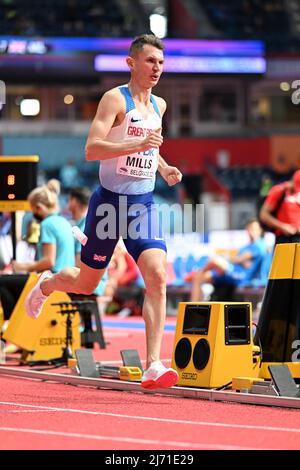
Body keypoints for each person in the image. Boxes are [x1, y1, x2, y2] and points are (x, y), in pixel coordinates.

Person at [26, 34, 182, 389]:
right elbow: (92, 149)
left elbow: (151, 147)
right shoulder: (114, 99)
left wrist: (164, 167)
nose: (157, 68)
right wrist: (137, 142)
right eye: (150, 61)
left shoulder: (159, 105)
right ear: (131, 63)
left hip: (142, 204)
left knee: (157, 276)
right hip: (109, 203)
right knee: (86, 283)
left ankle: (153, 364)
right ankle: (47, 284)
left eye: (160, 62)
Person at [0, 181, 75, 322]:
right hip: (65, 278)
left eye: (32, 209)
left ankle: (10, 324)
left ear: (39, 208)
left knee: (2, 282)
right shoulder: (64, 221)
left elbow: (49, 261)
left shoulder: (47, 224)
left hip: (53, 277)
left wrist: (22, 266)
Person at [187, 219, 266, 302]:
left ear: (260, 230)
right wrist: (240, 260)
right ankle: (195, 310)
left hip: (242, 276)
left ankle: (198, 271)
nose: (252, 232)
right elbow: (240, 260)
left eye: (255, 229)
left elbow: (238, 259)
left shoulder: (259, 245)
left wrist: (233, 258)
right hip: (231, 272)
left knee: (215, 260)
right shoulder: (246, 246)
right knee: (198, 278)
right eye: (250, 229)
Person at [260, 169, 300, 244]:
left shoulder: (297, 192)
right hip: (283, 237)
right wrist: (282, 226)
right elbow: (264, 215)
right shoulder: (279, 191)